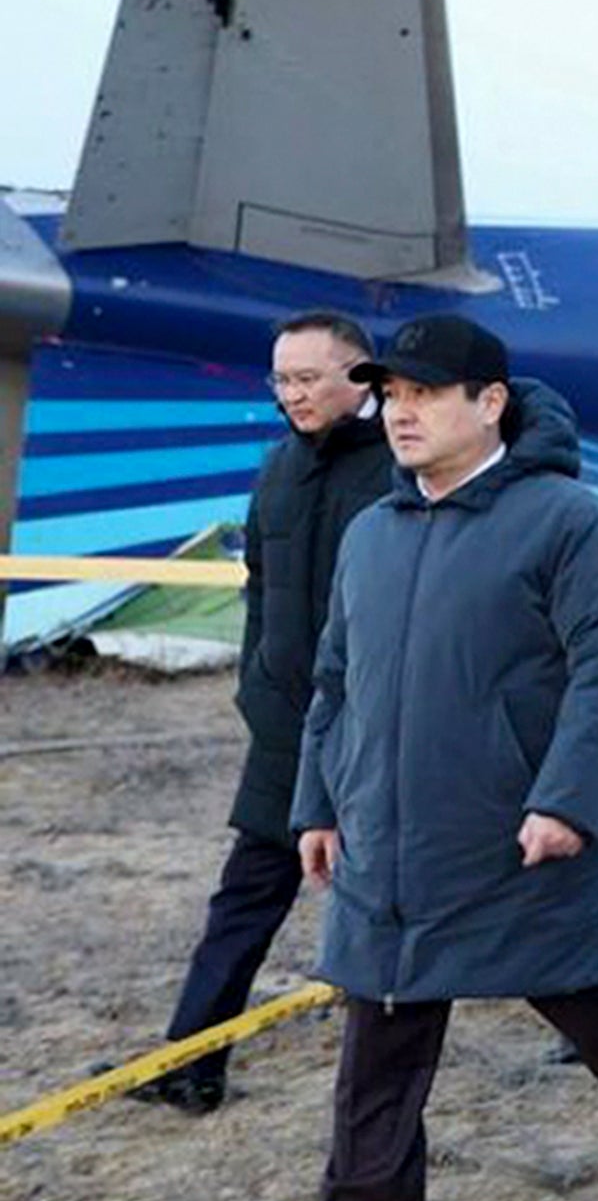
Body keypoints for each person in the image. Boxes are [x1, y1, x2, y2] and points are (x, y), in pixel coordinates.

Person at [247, 316, 598, 1201]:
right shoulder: (374, 531)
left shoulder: (567, 520)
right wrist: (316, 802)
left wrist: (566, 800)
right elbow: (335, 682)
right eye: (390, 392)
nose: (400, 409)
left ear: (490, 402)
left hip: (521, 835)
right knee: (376, 1058)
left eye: (424, 391)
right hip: (387, 841)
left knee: (592, 1002)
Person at [124, 314, 395, 1116]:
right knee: (242, 902)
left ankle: (580, 1012)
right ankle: (190, 1065)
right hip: (287, 730)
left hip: (380, 734)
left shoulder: (401, 471)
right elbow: (259, 592)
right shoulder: (277, 467)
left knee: (450, 896)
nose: (291, 394)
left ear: (361, 377)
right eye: (281, 380)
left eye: (308, 379)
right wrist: (258, 687)